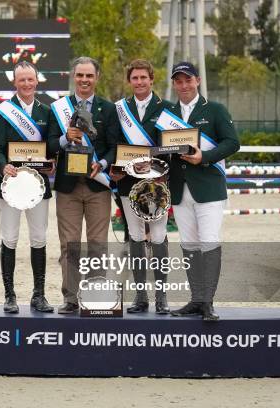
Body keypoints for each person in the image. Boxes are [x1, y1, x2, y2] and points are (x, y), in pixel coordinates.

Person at [161, 62, 240, 321]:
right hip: (180, 189)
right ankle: (196, 299)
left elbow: (232, 142)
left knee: (209, 243)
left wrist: (204, 156)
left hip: (208, 188)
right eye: (178, 81)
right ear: (174, 84)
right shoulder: (167, 113)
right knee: (189, 246)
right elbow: (159, 147)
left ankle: (208, 302)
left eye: (188, 80)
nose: (183, 85)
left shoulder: (215, 110)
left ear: (197, 81)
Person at [47, 56, 119, 314]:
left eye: (89, 75)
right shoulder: (58, 108)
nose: (84, 80)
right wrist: (65, 138)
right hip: (68, 187)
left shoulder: (108, 109)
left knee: (98, 244)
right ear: (73, 77)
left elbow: (114, 147)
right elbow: (48, 145)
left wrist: (104, 163)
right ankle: (70, 298)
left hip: (97, 185)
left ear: (96, 78)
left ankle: (95, 296)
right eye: (80, 75)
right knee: (69, 244)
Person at [0, 61, 54, 313]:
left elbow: (50, 147)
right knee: (10, 238)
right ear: (14, 82)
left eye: (30, 79)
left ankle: (39, 295)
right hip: (11, 184)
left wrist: (51, 161)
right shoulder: (2, 111)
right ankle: (10, 295)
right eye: (22, 80)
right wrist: (3, 165)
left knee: (39, 238)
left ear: (37, 81)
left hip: (38, 186)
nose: (26, 84)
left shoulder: (46, 111)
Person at [110, 59, 171, 314]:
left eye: (143, 77)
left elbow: (171, 145)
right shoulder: (119, 109)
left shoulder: (166, 108)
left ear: (152, 79)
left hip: (156, 185)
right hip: (128, 186)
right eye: (134, 78)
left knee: (157, 236)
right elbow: (113, 143)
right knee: (135, 237)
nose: (139, 82)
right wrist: (118, 168)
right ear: (129, 81)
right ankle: (140, 296)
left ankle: (162, 297)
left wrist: (157, 168)